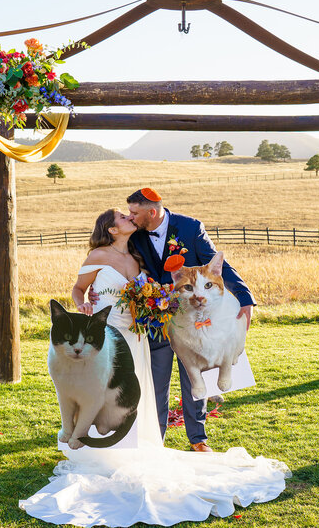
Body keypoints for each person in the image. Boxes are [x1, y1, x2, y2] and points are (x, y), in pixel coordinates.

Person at [19, 207, 288, 527]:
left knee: (139, 394)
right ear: (111, 229)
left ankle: (162, 441)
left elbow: (169, 282)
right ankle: (104, 447)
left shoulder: (138, 256)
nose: (129, 218)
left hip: (138, 335)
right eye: (121, 217)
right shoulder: (99, 255)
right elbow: (79, 289)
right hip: (109, 333)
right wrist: (83, 303)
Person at [101, 187, 254, 452]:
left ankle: (198, 438)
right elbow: (114, 259)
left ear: (152, 211)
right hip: (156, 322)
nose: (131, 217)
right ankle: (155, 440)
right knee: (156, 380)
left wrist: (244, 296)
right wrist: (94, 289)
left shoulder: (190, 228)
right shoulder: (135, 234)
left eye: (134, 213)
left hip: (194, 321)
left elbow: (216, 267)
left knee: (194, 376)